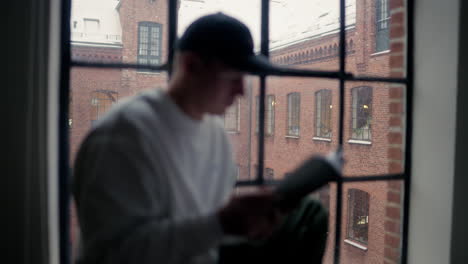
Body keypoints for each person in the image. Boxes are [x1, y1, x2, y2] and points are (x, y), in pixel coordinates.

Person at [72, 13, 327, 264]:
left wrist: (249, 222)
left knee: (307, 215)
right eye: (233, 77)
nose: (241, 91)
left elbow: (204, 229)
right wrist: (221, 223)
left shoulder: (215, 132)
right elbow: (115, 254)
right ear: (191, 66)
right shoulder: (123, 136)